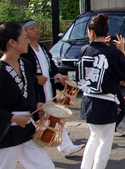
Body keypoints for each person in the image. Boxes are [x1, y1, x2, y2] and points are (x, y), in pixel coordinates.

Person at [0, 22, 90, 169]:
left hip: (26, 129)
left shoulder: (25, 64)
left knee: (45, 167)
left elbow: (31, 93)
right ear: (12, 42)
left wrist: (37, 107)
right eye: (23, 36)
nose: (26, 40)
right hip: (6, 132)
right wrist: (11, 117)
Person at [76, 14, 125, 169]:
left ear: (91, 33)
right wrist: (122, 52)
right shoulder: (112, 53)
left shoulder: (84, 50)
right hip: (105, 101)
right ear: (107, 32)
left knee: (94, 136)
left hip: (88, 99)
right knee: (105, 141)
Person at [21, 20, 85, 157]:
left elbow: (50, 65)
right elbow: (22, 72)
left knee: (52, 118)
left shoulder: (42, 47)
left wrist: (57, 76)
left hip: (47, 88)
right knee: (38, 121)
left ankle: (65, 147)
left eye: (37, 27)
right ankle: (24, 152)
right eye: (32, 28)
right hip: (34, 93)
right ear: (24, 32)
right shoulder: (24, 51)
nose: (36, 30)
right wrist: (35, 78)